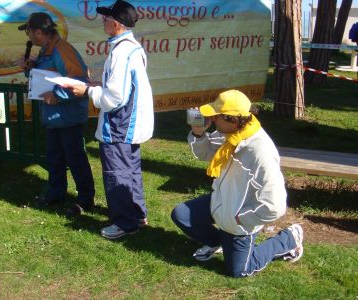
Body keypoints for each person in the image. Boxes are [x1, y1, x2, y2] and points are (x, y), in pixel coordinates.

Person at [171, 90, 303, 278]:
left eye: (217, 116)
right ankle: (220, 242)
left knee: (239, 271)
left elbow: (276, 206)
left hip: (239, 217)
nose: (213, 119)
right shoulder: (232, 133)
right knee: (182, 214)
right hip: (223, 202)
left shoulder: (260, 152)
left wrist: (242, 219)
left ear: (233, 119)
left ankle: (289, 238)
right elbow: (207, 154)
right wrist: (198, 134)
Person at [63, 0, 154, 239]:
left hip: (119, 125)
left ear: (116, 23)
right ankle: (137, 214)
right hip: (129, 123)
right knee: (131, 171)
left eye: (106, 18)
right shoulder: (132, 47)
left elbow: (115, 98)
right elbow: (122, 89)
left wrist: (88, 91)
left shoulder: (122, 52)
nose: (102, 21)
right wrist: (99, 86)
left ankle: (125, 223)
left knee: (117, 173)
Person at [18, 12, 95, 217]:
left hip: (67, 116)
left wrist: (57, 96)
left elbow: (79, 80)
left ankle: (86, 198)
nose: (28, 36)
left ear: (39, 32)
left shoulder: (62, 50)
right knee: (54, 158)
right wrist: (32, 69)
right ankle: (56, 192)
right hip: (53, 116)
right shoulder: (46, 50)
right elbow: (48, 77)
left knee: (75, 158)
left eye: (28, 31)